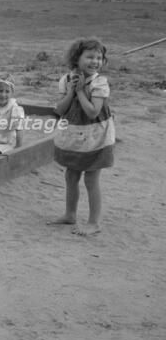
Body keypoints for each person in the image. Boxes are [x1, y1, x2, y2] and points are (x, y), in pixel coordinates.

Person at [49, 38, 115, 236]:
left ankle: (94, 222)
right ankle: (70, 214)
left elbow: (93, 111)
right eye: (90, 57)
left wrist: (80, 92)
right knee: (71, 175)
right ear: (77, 58)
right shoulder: (66, 80)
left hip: (96, 136)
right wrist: (71, 91)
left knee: (91, 179)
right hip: (74, 135)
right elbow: (60, 109)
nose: (95, 61)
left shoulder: (100, 83)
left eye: (99, 57)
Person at [0, 72, 25, 155]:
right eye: (0, 91)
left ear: (12, 92)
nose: (3, 94)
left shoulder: (14, 109)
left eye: (7, 91)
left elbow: (19, 130)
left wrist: (18, 149)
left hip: (5, 144)